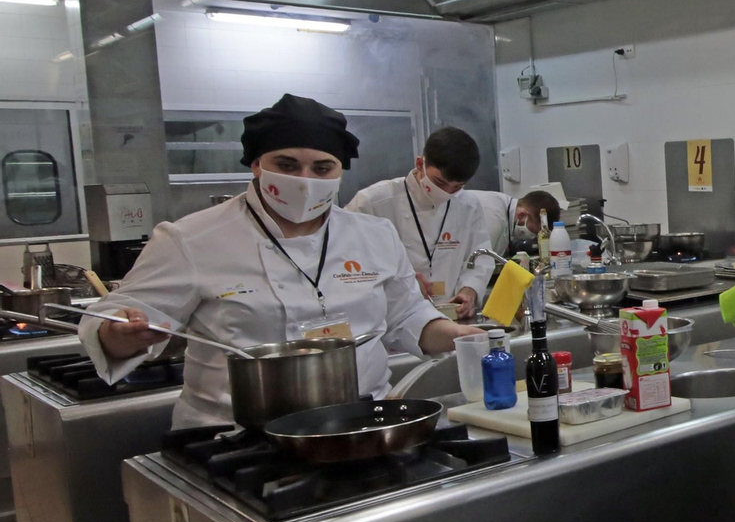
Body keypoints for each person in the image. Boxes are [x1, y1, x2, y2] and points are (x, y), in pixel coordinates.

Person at [82, 94, 484, 428]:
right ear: (257, 164)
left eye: (322, 168)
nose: (305, 180)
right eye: (287, 165)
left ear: (340, 171)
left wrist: (458, 336)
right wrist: (120, 335)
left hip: (360, 428)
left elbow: (407, 317)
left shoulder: (373, 235)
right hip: (236, 438)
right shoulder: (190, 239)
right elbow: (111, 319)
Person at [346, 126, 492, 319]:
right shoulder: (373, 202)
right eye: (439, 183)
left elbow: (480, 256)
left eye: (457, 187)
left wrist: (470, 290)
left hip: (449, 314)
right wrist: (400, 280)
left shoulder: (468, 205)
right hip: (391, 320)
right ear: (419, 163)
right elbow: (346, 263)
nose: (447, 192)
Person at [467, 188, 515, 256]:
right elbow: (482, 256)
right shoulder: (495, 215)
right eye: (532, 229)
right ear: (522, 215)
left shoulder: (504, 204)